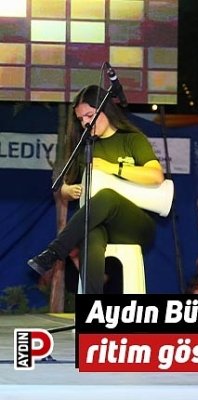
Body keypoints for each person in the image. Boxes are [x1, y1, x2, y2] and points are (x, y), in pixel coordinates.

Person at [27, 84, 164, 294]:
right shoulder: (84, 147)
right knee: (91, 234)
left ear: (105, 109)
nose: (85, 123)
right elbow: (64, 187)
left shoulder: (132, 139)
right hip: (100, 223)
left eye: (90, 115)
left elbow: (156, 177)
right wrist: (67, 190)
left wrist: (112, 167)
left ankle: (54, 252)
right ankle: (93, 306)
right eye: (81, 119)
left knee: (106, 196)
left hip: (136, 224)